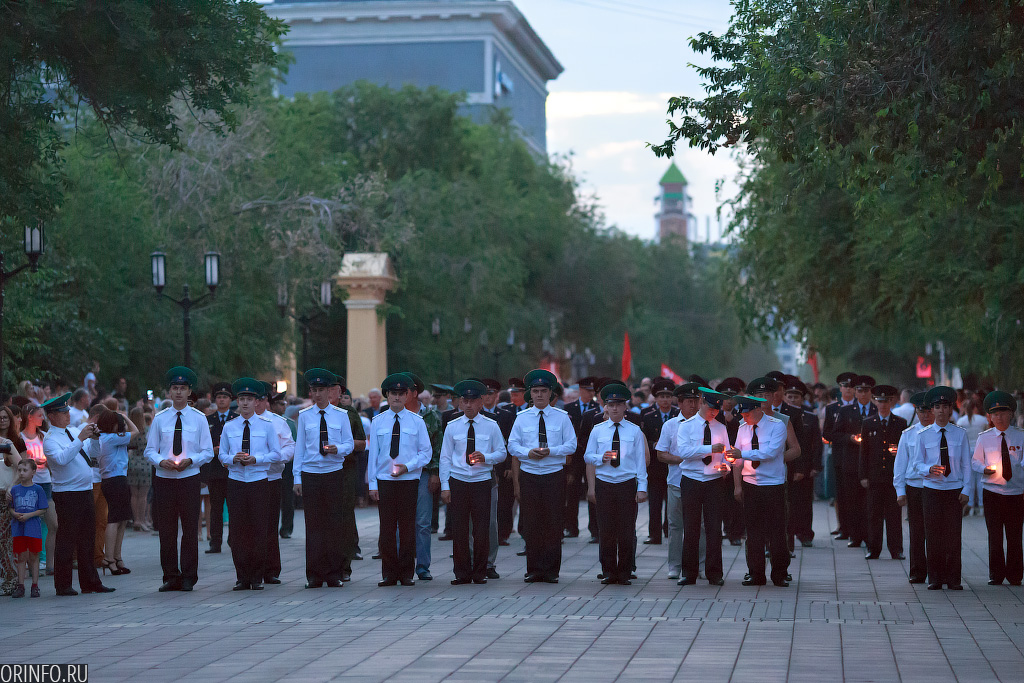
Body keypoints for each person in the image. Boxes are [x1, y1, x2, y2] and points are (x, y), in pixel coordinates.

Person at [143, 367, 214, 592]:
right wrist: (160, 461)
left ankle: (189, 576)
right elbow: (149, 450)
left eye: (183, 388)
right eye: (175, 388)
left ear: (189, 392)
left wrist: (191, 460)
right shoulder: (160, 419)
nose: (179, 392)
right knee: (167, 530)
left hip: (189, 478)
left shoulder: (199, 419)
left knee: (190, 529)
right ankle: (170, 575)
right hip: (164, 479)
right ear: (169, 392)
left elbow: (208, 452)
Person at [41, 392, 114, 596]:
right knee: (67, 539)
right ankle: (63, 584)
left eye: (67, 411)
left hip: (85, 490)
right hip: (67, 493)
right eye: (62, 412)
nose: (67, 415)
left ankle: (90, 582)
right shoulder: (50, 439)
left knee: (87, 538)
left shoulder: (73, 431)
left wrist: (95, 439)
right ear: (52, 416)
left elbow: (93, 454)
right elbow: (61, 459)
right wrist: (81, 438)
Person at [509, 369, 577, 584]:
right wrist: (527, 453)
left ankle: (551, 570)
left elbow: (572, 445)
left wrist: (552, 451)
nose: (539, 395)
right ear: (530, 394)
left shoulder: (562, 417)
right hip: (530, 475)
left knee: (553, 523)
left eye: (543, 391)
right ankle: (534, 569)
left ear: (551, 394)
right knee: (531, 523)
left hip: (553, 475)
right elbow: (512, 445)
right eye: (535, 391)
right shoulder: (521, 418)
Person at [367, 373, 432, 586]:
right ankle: (389, 573)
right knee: (386, 528)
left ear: (407, 396)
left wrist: (408, 467)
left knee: (407, 527)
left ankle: (406, 573)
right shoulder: (378, 422)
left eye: (401, 393)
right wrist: (373, 484)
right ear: (387, 396)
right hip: (385, 480)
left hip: (408, 480)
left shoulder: (417, 422)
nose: (396, 397)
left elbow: (426, 452)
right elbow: (373, 455)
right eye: (393, 393)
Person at [293, 369, 356, 589]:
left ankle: (334, 573)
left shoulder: (341, 415)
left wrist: (337, 448)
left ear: (329, 391)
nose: (317, 394)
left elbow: (349, 444)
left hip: (332, 472)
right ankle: (314, 574)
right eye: (314, 390)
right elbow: (300, 448)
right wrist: (297, 478)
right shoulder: (304, 416)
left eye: (321, 390)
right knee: (313, 525)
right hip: (311, 473)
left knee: (333, 523)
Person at [440, 379, 506, 584]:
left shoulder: (491, 426)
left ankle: (480, 572)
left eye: (472, 401)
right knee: (459, 529)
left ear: (480, 402)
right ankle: (461, 572)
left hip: (481, 480)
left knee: (481, 528)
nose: (468, 405)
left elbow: (502, 453)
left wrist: (486, 457)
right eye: (465, 401)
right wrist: (445, 486)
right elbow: (445, 458)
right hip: (459, 480)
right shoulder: (452, 426)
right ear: (460, 402)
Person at [219, 378, 281, 590]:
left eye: (249, 399)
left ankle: (256, 576)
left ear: (257, 402)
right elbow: (222, 455)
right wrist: (233, 458)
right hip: (236, 481)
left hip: (258, 480)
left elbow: (276, 453)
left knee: (259, 528)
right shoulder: (229, 427)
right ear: (237, 402)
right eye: (242, 399)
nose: (245, 403)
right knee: (238, 530)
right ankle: (242, 576)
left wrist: (257, 459)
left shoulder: (267, 426)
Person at [583, 382, 647, 585]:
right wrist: (600, 457)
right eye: (611, 405)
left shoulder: (634, 431)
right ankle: (609, 571)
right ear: (606, 407)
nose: (615, 409)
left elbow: (640, 462)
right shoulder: (598, 430)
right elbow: (587, 456)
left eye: (619, 405)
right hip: (605, 483)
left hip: (626, 483)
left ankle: (625, 572)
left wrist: (642, 488)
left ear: (625, 406)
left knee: (626, 530)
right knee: (606, 530)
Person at [725, 394, 789, 587]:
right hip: (751, 484)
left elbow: (771, 452)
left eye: (747, 414)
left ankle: (779, 573)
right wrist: (736, 481)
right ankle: (755, 573)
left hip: (773, 484)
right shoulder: (743, 428)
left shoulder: (777, 426)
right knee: (753, 531)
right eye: (742, 415)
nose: (744, 418)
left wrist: (742, 454)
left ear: (757, 410)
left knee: (777, 530)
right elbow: (737, 459)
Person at [911, 386, 971, 590]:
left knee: (953, 536)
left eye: (945, 407)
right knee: (933, 535)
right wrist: (928, 469)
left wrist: (966, 490)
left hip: (954, 490)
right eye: (937, 407)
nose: (941, 411)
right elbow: (916, 464)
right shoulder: (923, 435)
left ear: (951, 409)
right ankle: (935, 578)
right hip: (932, 489)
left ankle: (953, 579)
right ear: (932, 410)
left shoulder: (960, 434)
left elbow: (966, 465)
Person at [971, 391, 1024, 586]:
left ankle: (1015, 575)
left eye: (1003, 413)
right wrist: (984, 469)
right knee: (994, 535)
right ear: (990, 417)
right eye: (995, 414)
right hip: (993, 492)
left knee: (1015, 535)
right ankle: (996, 574)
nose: (999, 417)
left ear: (1011, 414)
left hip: (1016, 492)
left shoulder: (1020, 436)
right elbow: (975, 461)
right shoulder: (984, 438)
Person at [826, 375, 877, 548]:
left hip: (871, 463)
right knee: (852, 501)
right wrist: (850, 438)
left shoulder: (876, 410)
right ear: (855, 392)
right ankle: (855, 536)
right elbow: (834, 434)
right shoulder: (845, 411)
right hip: (850, 461)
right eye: (860, 390)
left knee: (869, 503)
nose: (863, 394)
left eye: (866, 390)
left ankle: (870, 536)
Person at [858, 385, 907, 560]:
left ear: (891, 402)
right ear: (875, 402)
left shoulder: (900, 423)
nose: (883, 405)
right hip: (874, 476)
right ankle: (874, 548)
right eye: (880, 401)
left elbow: (904, 451)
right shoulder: (868, 423)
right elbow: (864, 452)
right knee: (874, 515)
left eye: (886, 401)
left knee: (894, 515)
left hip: (893, 476)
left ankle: (896, 549)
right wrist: (863, 475)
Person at [92, 408, 139, 575]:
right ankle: (110, 558)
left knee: (122, 519)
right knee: (114, 519)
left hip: (113, 479)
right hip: (115, 479)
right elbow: (136, 431)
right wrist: (125, 416)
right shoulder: (111, 438)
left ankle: (117, 557)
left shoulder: (103, 438)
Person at [328, 375, 366, 582]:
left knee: (344, 515)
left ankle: (344, 565)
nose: (327, 393)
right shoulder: (313, 415)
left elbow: (361, 443)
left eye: (332, 389)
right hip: (321, 470)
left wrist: (345, 446)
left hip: (345, 469)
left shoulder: (349, 414)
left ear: (340, 392)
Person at [258, 385, 296, 585]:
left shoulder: (278, 422)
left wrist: (277, 457)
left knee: (270, 525)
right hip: (245, 478)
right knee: (249, 526)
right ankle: (250, 570)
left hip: (271, 477)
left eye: (262, 399)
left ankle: (271, 569)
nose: (257, 403)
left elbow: (290, 447)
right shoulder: (236, 423)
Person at [893, 392, 933, 584]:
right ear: (916, 412)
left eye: (928, 411)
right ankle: (917, 571)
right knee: (917, 531)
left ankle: (936, 571)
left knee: (936, 531)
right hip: (915, 486)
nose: (925, 415)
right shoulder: (908, 434)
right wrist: (900, 491)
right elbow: (900, 464)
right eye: (921, 411)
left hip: (936, 486)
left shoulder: (942, 433)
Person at [783, 379, 821, 547]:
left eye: (796, 397)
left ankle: (805, 533)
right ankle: (789, 534)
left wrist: (815, 466)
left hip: (805, 465)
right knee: (788, 502)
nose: (792, 400)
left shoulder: (810, 417)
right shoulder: (780, 416)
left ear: (802, 399)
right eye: (789, 396)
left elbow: (816, 444)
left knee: (804, 503)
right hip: (787, 464)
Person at [640, 378, 678, 546]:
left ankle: (669, 530)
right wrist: (654, 445)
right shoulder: (648, 415)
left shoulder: (678, 415)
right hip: (655, 465)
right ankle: (654, 534)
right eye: (661, 396)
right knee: (655, 502)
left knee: (672, 502)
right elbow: (642, 439)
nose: (665, 400)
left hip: (674, 464)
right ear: (655, 398)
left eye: (668, 396)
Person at [19, 403, 56, 573]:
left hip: (45, 482)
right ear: (30, 417)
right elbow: (20, 461)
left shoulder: (44, 436)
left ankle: (50, 564)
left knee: (53, 524)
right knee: (30, 525)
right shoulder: (21, 438)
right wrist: (32, 462)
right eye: (40, 415)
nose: (43, 418)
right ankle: (30, 565)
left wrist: (48, 462)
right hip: (29, 484)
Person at [823, 372, 858, 538]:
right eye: (845, 386)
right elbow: (827, 433)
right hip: (840, 455)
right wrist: (847, 438)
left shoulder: (862, 407)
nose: (848, 389)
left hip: (859, 456)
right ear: (840, 388)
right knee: (841, 494)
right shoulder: (832, 409)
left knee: (858, 495)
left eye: (852, 386)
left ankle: (858, 528)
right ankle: (844, 527)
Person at [202, 382, 235, 554]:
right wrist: (212, 450)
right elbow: (203, 444)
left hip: (232, 470)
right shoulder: (208, 420)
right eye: (219, 397)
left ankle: (233, 540)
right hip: (215, 470)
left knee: (234, 507)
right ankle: (215, 542)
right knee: (216, 508)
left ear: (230, 399)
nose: (221, 400)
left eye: (225, 397)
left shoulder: (236, 419)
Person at [563, 377, 598, 539]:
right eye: (587, 390)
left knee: (593, 491)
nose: (590, 394)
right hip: (575, 457)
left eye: (592, 391)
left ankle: (595, 529)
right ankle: (571, 527)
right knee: (572, 493)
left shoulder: (597, 409)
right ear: (580, 391)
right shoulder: (569, 408)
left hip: (592, 455)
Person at [9, 458, 44, 598]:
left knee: (34, 555)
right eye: (19, 470)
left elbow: (43, 509)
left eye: (25, 470)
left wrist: (29, 515)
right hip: (19, 527)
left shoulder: (38, 489)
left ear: (33, 472)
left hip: (33, 527)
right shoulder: (14, 490)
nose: (22, 473)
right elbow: (10, 507)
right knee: (21, 556)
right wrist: (14, 514)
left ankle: (35, 585)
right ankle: (21, 585)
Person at [957, 399, 990, 516]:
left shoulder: (961, 421)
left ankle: (970, 505)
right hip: (980, 452)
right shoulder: (982, 420)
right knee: (980, 480)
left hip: (966, 452)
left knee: (969, 479)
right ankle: (981, 506)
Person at [1, 432, 22, 595]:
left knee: (5, 539)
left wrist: (12, 487)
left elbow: (21, 467)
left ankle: (11, 579)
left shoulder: (6, 444)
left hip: (3, 497)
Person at [127, 407, 153, 531]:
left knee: (134, 495)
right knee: (143, 495)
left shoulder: (129, 432)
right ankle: (142, 520)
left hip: (132, 463)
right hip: (144, 463)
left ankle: (135, 520)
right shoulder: (146, 431)